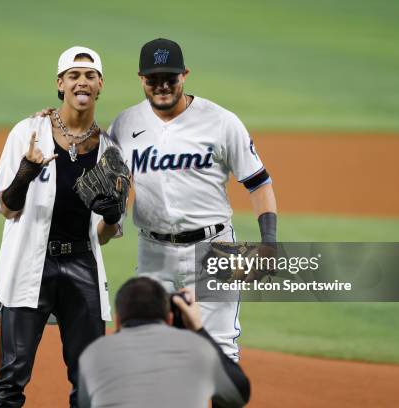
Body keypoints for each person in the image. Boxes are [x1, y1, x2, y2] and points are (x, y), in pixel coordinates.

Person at [107, 38, 278, 361]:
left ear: (185, 75)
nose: (162, 87)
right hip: (153, 251)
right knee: (151, 349)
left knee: (220, 351)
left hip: (215, 248)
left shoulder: (221, 121)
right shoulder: (124, 124)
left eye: (170, 79)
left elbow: (259, 184)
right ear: (141, 78)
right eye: (153, 80)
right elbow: (112, 187)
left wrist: (269, 239)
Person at [0, 46, 123, 408]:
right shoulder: (28, 132)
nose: (82, 82)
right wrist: (25, 174)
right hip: (31, 265)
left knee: (89, 380)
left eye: (90, 75)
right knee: (12, 376)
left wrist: (111, 217)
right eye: (74, 75)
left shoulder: (110, 150)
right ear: (60, 84)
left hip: (82, 266)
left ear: (100, 85)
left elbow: (106, 235)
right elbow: (4, 206)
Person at [77, 277, 251, 408]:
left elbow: (86, 403)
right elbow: (239, 394)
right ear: (169, 319)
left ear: (117, 321)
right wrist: (198, 329)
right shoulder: (197, 348)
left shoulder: (93, 354)